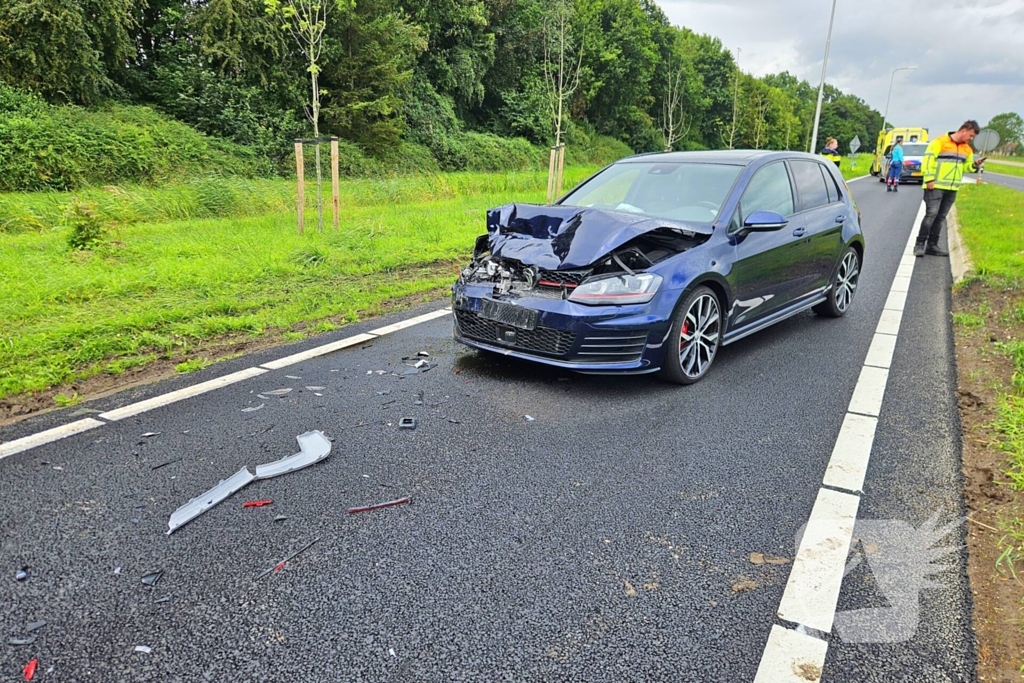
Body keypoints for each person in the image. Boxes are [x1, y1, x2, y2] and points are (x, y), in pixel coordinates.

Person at [914, 120, 986, 257]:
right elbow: (928, 160)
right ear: (963, 130)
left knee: (940, 217)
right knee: (931, 215)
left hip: (952, 188)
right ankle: (919, 244)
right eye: (971, 135)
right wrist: (929, 178)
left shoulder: (967, 149)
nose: (971, 139)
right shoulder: (939, 142)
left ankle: (932, 245)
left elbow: (966, 167)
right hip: (935, 185)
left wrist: (975, 165)